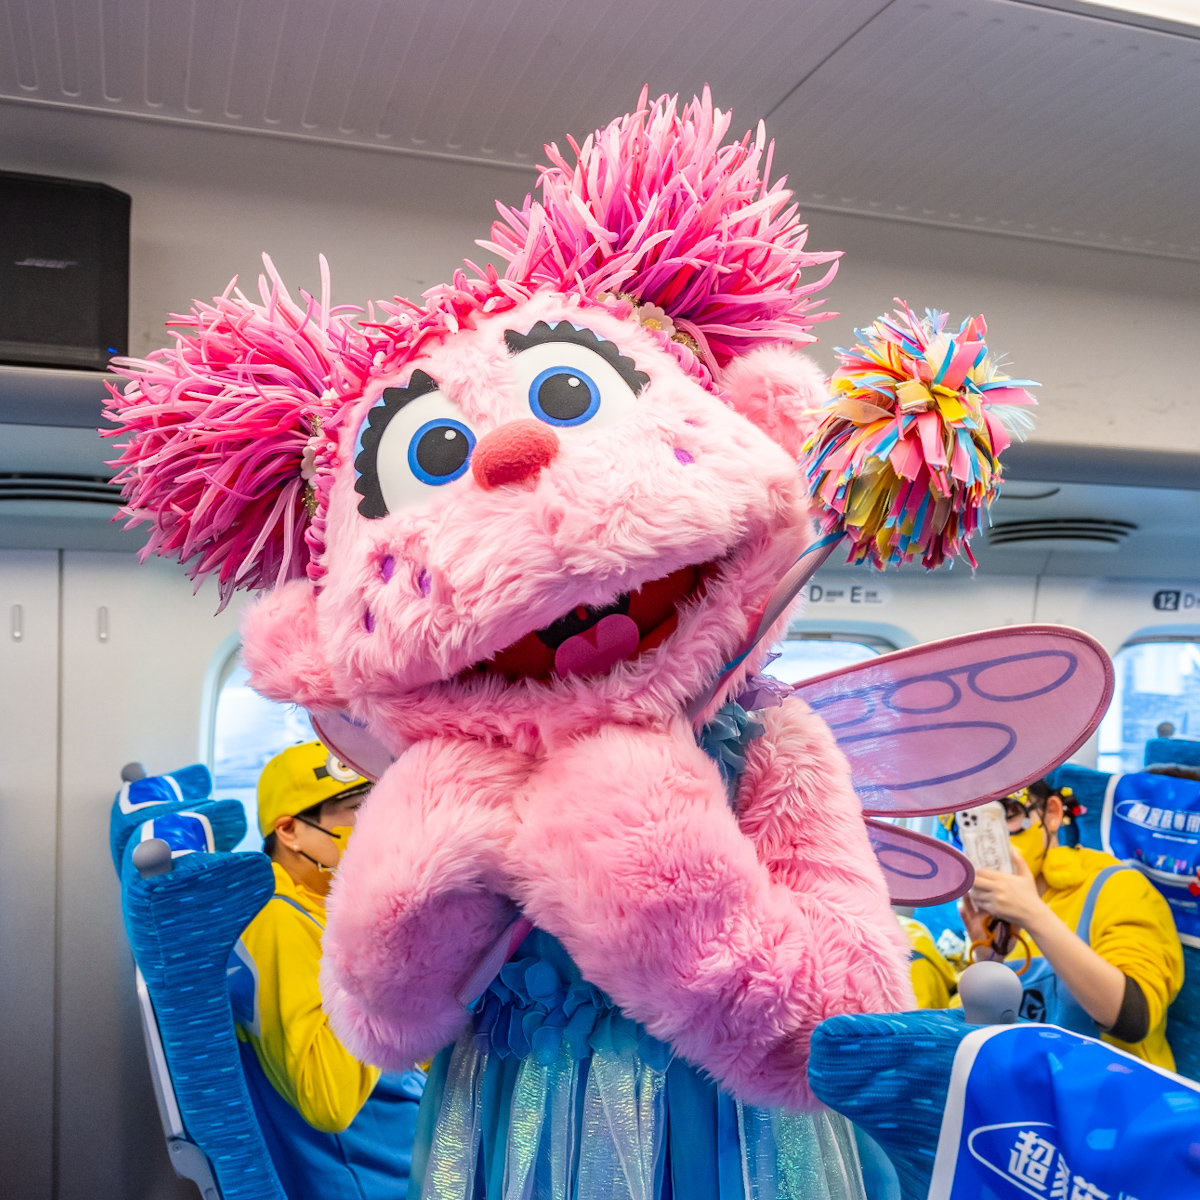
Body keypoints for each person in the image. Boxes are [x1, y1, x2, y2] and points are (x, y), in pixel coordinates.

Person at [227, 741, 424, 1199]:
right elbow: (327, 1100)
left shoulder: (321, 903)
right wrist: (382, 941)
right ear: (290, 831)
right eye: (358, 809)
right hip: (374, 1175)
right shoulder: (276, 920)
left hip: (404, 1142)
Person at [961, 779, 1184, 1068]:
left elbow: (1133, 1018)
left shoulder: (1118, 886)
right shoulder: (991, 912)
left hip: (1116, 1085)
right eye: (971, 824)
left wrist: (1033, 914)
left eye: (1008, 814)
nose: (990, 840)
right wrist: (990, 959)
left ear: (1052, 814)